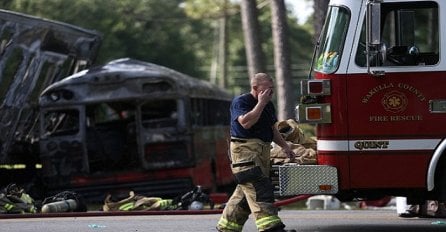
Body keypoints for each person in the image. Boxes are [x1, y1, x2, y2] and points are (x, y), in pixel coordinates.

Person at [216, 73, 296, 232]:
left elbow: (272, 129)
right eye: (267, 89)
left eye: (272, 89)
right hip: (245, 153)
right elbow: (246, 123)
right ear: (255, 88)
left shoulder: (268, 104)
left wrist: (285, 146)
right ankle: (271, 228)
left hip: (262, 153)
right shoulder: (241, 101)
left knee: (245, 195)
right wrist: (260, 103)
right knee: (260, 189)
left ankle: (227, 227)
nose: (270, 92)